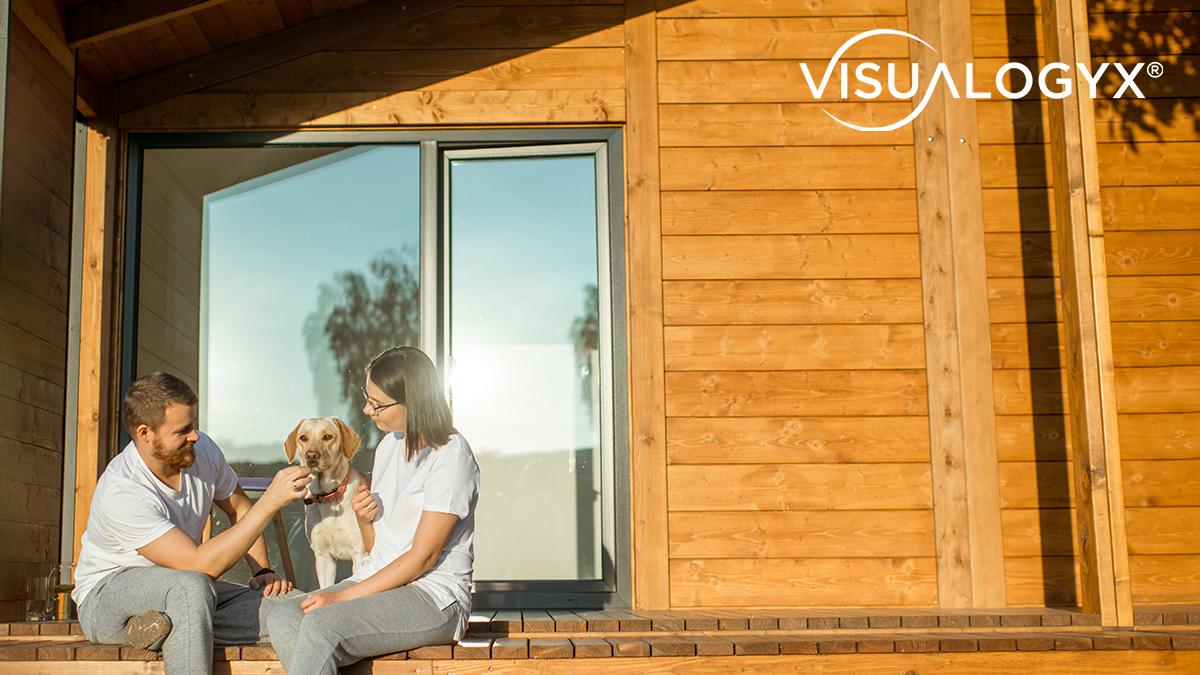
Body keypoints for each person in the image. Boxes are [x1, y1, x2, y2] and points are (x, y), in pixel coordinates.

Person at [73, 371, 313, 675]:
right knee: (191, 588)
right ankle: (159, 621)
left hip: (190, 591)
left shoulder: (202, 451)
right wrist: (270, 501)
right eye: (183, 430)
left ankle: (160, 626)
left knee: (299, 608)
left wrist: (262, 571)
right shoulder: (122, 490)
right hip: (108, 597)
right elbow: (198, 565)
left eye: (194, 424)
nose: (195, 436)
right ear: (145, 433)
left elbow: (239, 508)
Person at [268, 346, 481, 675]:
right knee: (284, 616)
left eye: (377, 404)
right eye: (367, 398)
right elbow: (378, 545)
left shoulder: (451, 457)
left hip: (434, 597)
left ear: (413, 401)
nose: (368, 410)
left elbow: (422, 558)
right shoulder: (389, 446)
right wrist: (366, 518)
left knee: (322, 624)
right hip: (377, 579)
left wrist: (341, 598)